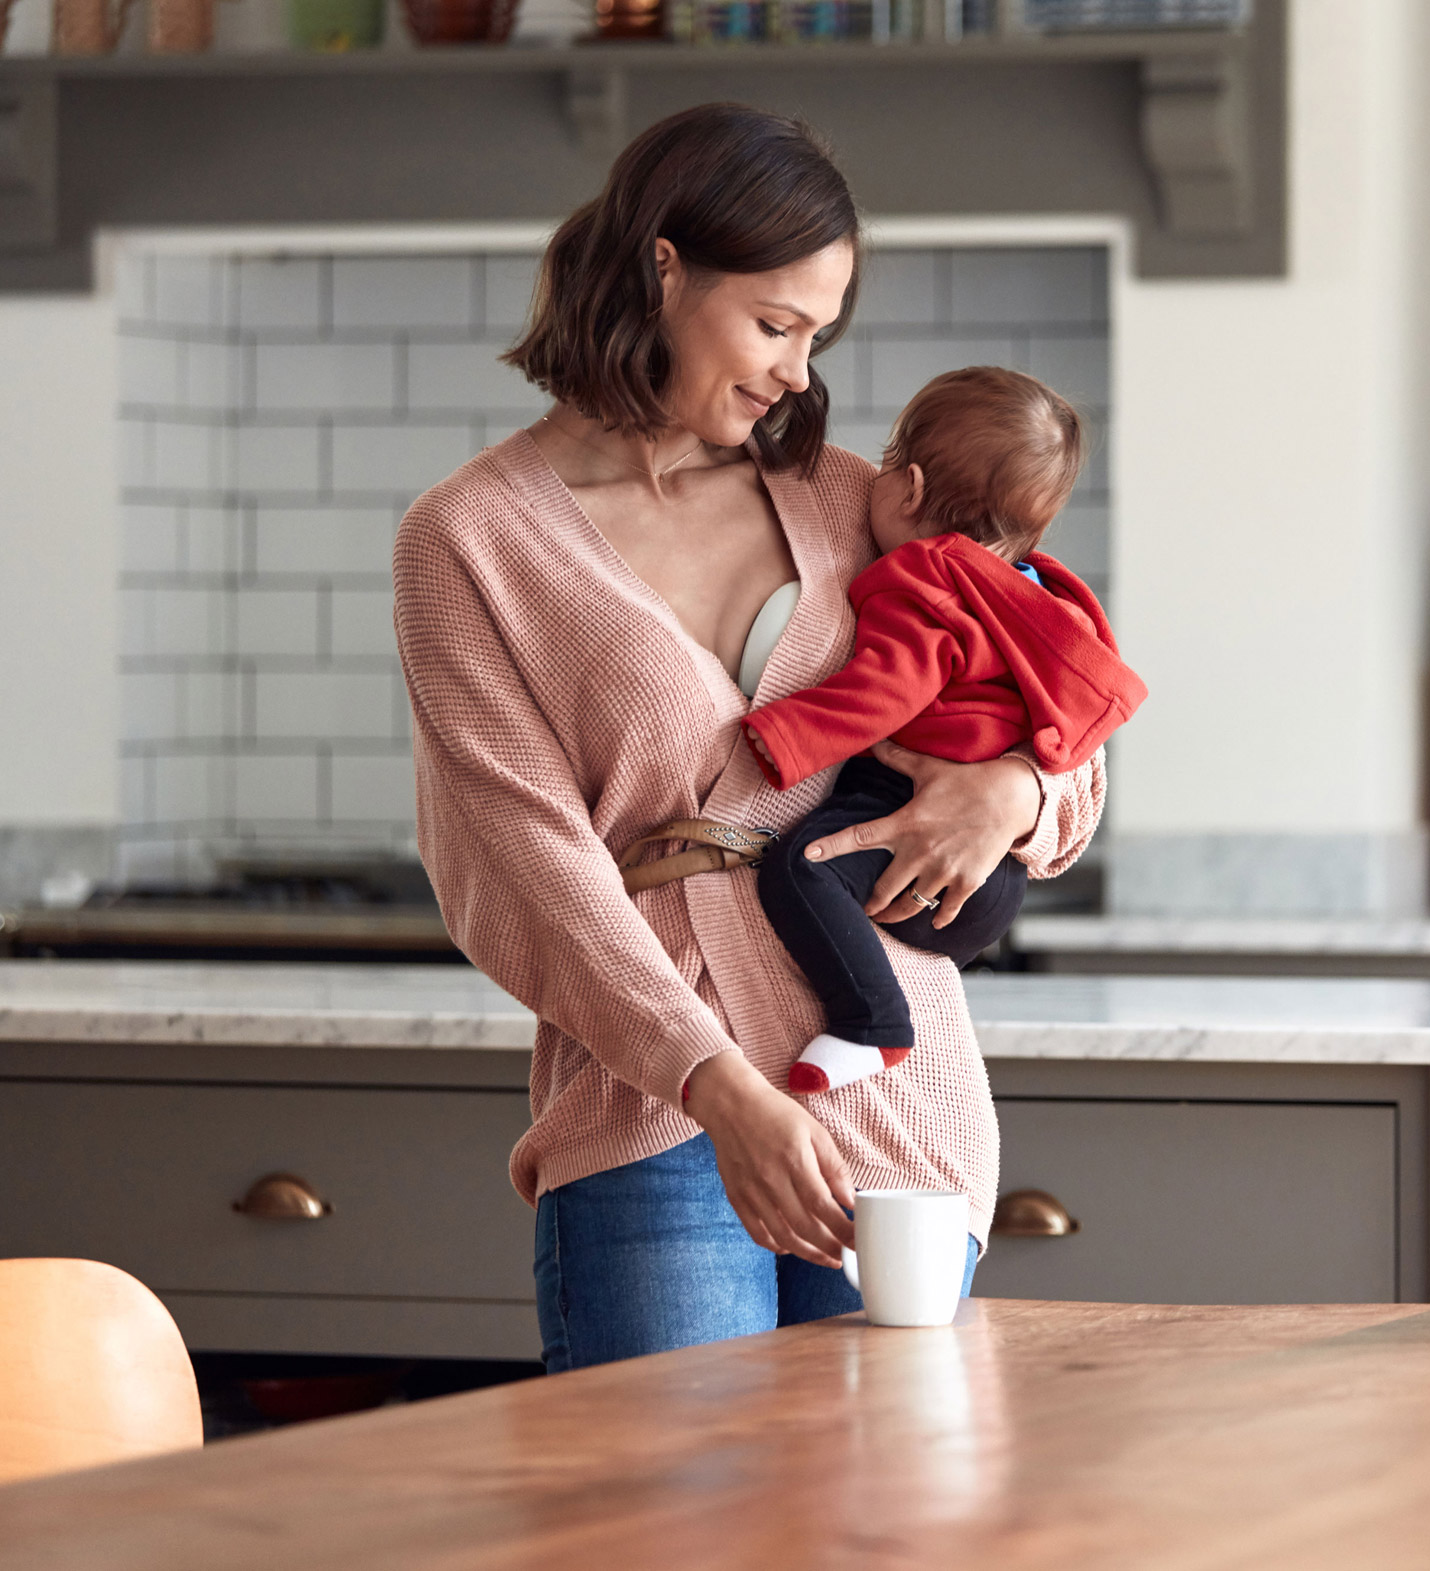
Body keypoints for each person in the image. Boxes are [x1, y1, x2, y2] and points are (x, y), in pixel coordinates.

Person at [391, 102, 1105, 1372]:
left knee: (892, 1519)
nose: (797, 372)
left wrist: (1015, 789)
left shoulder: (847, 498)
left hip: (901, 1104)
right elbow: (527, 862)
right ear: (664, 268)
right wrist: (717, 1089)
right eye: (775, 325)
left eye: (817, 337)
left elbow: (1051, 697)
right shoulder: (471, 541)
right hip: (656, 1116)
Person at [741, 366, 1146, 1095]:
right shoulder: (1040, 593)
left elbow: (885, 691)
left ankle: (873, 1024)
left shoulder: (925, 579)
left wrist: (784, 736)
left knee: (799, 867)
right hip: (991, 886)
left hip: (901, 818)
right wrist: (1026, 780)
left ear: (913, 488)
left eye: (891, 461)